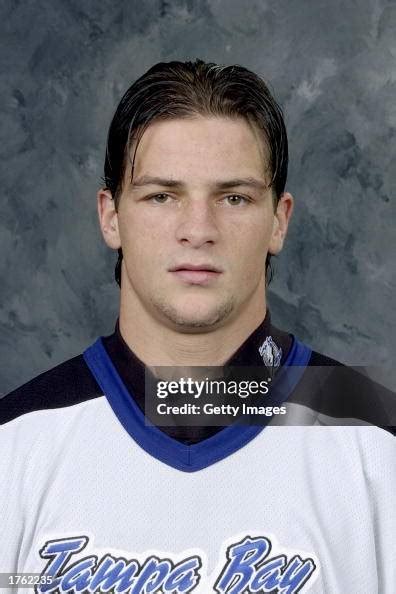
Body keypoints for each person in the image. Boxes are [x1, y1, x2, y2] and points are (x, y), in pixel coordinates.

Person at [0, 59, 394, 594]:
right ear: (111, 216)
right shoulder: (14, 449)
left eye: (233, 197)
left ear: (279, 220)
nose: (198, 230)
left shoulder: (376, 444)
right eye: (162, 195)